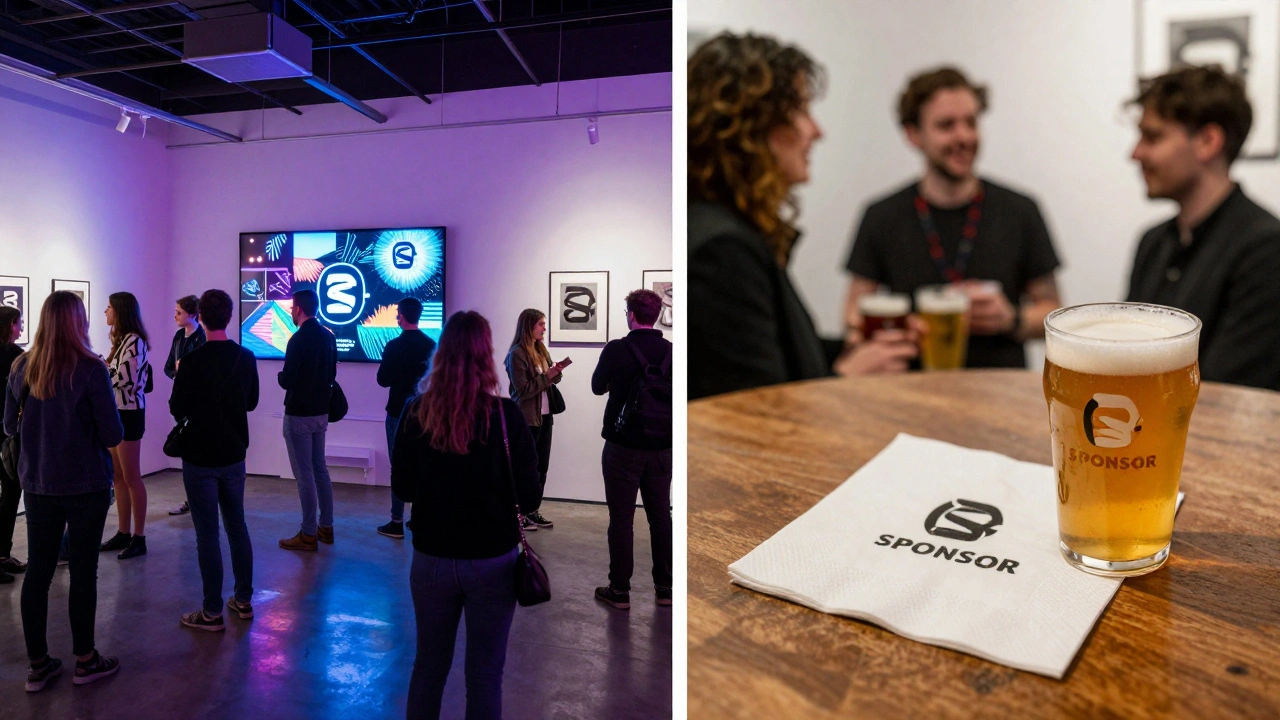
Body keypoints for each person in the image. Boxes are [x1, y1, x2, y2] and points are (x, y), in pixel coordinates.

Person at [688, 32, 921, 400]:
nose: (817, 131)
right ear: (752, 125)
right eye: (801, 111)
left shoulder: (727, 232)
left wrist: (849, 350)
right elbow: (754, 410)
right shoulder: (722, 251)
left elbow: (782, 356)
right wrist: (845, 377)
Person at [843, 65, 1063, 369]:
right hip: (909, 390)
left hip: (1000, 390)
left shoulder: (1021, 210)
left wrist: (1011, 317)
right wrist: (896, 330)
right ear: (913, 134)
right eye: (946, 125)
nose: (964, 136)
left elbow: (1054, 315)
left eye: (971, 122)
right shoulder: (881, 216)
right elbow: (852, 316)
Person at [392, 310, 539, 720]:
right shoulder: (507, 416)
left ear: (442, 354)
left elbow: (403, 489)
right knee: (486, 676)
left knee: (428, 668)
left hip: (432, 558)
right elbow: (529, 496)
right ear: (485, 356)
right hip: (493, 560)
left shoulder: (417, 412)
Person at [1126, 65, 1280, 390]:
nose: (1135, 153)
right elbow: (1126, 353)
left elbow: (1229, 388)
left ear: (1208, 141)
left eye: (1153, 137)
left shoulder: (1267, 247)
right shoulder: (1152, 242)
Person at [5, 291, 122, 692]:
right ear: (78, 322)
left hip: (37, 483)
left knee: (38, 571)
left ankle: (38, 665)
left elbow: (8, 426)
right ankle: (85, 661)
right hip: (86, 485)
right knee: (83, 572)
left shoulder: (22, 366)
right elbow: (112, 433)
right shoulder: (91, 369)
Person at [170, 289, 259, 632]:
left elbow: (177, 407)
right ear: (230, 316)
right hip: (234, 454)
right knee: (237, 527)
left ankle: (211, 612)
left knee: (207, 534)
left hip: (199, 457)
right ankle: (244, 600)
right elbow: (251, 402)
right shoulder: (246, 357)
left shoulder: (192, 361)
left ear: (202, 318)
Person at [590, 289, 673, 610]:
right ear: (656, 315)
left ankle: (620, 590)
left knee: (622, 519)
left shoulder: (616, 349)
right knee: (660, 517)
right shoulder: (671, 351)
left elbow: (597, 387)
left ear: (631, 314)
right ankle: (665, 588)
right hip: (662, 448)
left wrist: (620, 383)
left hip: (622, 445)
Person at [278, 289, 337, 551]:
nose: (291, 312)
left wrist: (281, 377)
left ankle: (308, 533)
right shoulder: (328, 337)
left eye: (292, 308)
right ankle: (326, 526)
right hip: (321, 413)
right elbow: (332, 374)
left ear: (299, 309)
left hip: (299, 415)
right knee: (320, 469)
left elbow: (288, 380)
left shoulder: (297, 340)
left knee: (304, 475)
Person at [375, 297, 437, 539]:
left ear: (400, 316)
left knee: (398, 466)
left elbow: (382, 380)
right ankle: (419, 518)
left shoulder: (393, 346)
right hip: (426, 413)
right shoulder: (431, 345)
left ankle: (396, 522)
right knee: (424, 464)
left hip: (397, 413)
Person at [99, 292, 151, 560]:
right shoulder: (122, 340)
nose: (105, 312)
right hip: (117, 412)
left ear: (119, 311)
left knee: (131, 477)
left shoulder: (134, 340)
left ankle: (138, 537)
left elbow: (125, 379)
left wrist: (101, 369)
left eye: (108, 307)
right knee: (118, 476)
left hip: (130, 414)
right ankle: (123, 531)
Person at [504, 309, 567, 531]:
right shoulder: (517, 354)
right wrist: (547, 377)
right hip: (527, 419)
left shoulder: (541, 350)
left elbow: (549, 381)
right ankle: (519, 513)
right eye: (540, 324)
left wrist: (556, 372)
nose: (544, 328)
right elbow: (521, 391)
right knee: (524, 468)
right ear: (528, 326)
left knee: (541, 467)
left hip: (545, 417)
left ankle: (532, 510)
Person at [164, 294, 207, 516]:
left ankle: (198, 500)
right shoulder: (179, 336)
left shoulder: (202, 338)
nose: (175, 316)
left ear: (192, 314)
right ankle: (192, 499)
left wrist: (185, 371)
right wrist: (178, 373)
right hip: (180, 399)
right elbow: (168, 367)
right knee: (186, 450)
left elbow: (203, 372)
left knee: (197, 452)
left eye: (179, 312)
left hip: (196, 402)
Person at [0, 306, 27, 584]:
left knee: (10, 493)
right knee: (10, 492)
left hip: (5, 434)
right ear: (10, 325)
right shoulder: (16, 357)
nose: (21, 329)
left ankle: (2, 555)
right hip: (6, 436)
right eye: (19, 323)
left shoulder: (18, 356)